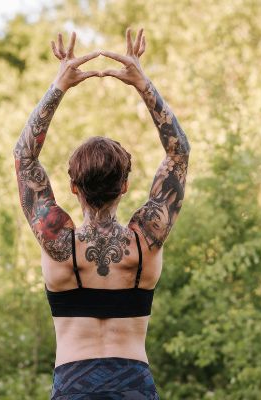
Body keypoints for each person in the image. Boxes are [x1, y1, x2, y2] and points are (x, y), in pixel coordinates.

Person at [13, 27, 190, 400]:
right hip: (134, 386)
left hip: (74, 385)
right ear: (124, 186)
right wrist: (142, 83)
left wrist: (59, 84)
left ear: (74, 187)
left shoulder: (57, 239)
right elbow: (178, 153)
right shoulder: (146, 238)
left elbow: (24, 156)